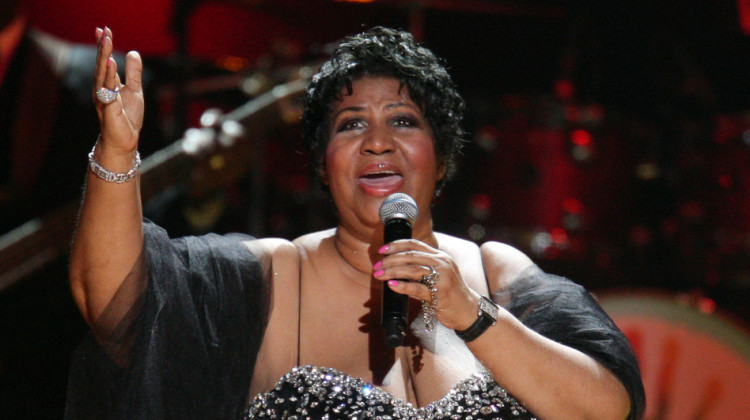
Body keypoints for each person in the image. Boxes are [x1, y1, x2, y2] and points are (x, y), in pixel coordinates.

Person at [66, 26, 644, 419]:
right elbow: (110, 297)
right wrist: (117, 154)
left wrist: (472, 315)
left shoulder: (495, 272)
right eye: (349, 125)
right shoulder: (272, 274)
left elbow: (607, 408)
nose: (376, 143)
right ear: (322, 164)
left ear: (441, 157)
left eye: (402, 120)